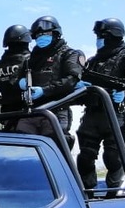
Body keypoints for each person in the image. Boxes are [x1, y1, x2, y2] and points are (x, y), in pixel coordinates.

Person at [74, 18, 125, 196]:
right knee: (85, 157)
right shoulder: (93, 61)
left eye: (102, 36)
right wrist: (79, 85)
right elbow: (80, 78)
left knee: (113, 157)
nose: (98, 40)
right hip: (92, 114)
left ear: (113, 36)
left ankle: (113, 193)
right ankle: (88, 193)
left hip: (114, 114)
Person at [16, 15, 84, 146]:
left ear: (56, 34)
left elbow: (71, 80)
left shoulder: (69, 54)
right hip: (31, 111)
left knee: (53, 148)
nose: (42, 37)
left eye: (46, 33)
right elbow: (18, 78)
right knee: (23, 148)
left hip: (56, 111)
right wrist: (21, 82)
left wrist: (44, 91)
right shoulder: (31, 58)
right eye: (39, 34)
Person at [0, 25, 31, 129]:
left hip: (8, 118)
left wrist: (1, 99)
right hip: (32, 117)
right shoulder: (32, 61)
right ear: (26, 41)